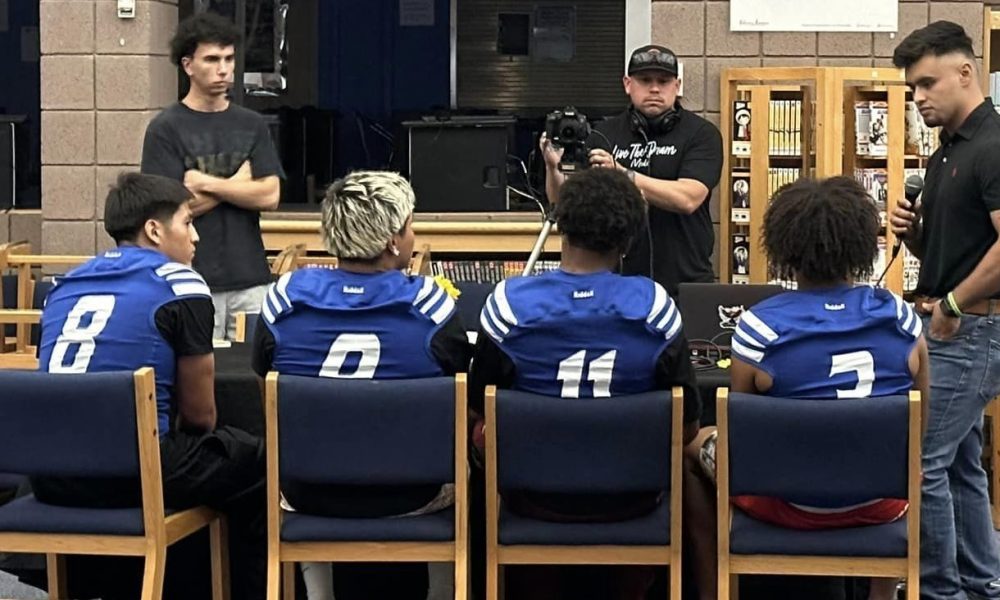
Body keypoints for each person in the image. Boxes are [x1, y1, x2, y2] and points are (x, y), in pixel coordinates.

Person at [683, 176, 931, 600]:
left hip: (786, 504)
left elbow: (743, 434)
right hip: (880, 503)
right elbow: (919, 425)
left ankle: (715, 590)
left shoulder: (759, 327)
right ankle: (881, 592)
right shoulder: (900, 320)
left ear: (784, 246)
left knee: (694, 448)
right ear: (860, 244)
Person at [470, 168, 701, 599]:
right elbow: (685, 427)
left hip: (531, 496)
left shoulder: (508, 306)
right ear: (629, 240)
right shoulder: (654, 309)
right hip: (631, 499)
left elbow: (477, 411)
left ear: (561, 224)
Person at [34, 172, 266, 600]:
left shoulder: (62, 286)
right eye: (187, 223)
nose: (195, 238)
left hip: (52, 475)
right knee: (253, 460)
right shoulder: (180, 282)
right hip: (137, 469)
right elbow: (201, 416)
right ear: (154, 230)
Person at [251, 171, 472, 600]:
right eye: (409, 226)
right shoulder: (430, 305)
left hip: (308, 490)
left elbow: (265, 386)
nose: (413, 237)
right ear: (392, 239)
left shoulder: (284, 300)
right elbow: (461, 392)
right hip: (412, 493)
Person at [891, 20, 1000, 600]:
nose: (919, 97)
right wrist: (915, 236)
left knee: (923, 462)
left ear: (965, 72)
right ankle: (983, 584)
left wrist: (954, 303)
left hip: (972, 327)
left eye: (927, 83)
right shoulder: (945, 154)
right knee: (959, 467)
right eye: (913, 88)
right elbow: (956, 249)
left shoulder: (993, 145)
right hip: (951, 320)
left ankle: (938, 591)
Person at [141, 12, 284, 341]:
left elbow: (270, 195)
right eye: (212, 59)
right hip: (189, 280)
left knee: (252, 382)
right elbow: (167, 213)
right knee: (196, 381)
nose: (224, 68)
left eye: (229, 58)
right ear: (188, 65)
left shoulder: (251, 124)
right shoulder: (165, 129)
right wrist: (239, 184)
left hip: (251, 280)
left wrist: (205, 183)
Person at [541, 44, 723, 296]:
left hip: (684, 281)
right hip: (614, 283)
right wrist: (553, 168)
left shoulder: (701, 134)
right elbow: (564, 206)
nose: (655, 88)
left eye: (664, 80)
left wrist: (623, 174)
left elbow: (688, 198)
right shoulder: (603, 135)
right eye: (645, 80)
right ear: (628, 84)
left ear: (677, 86)